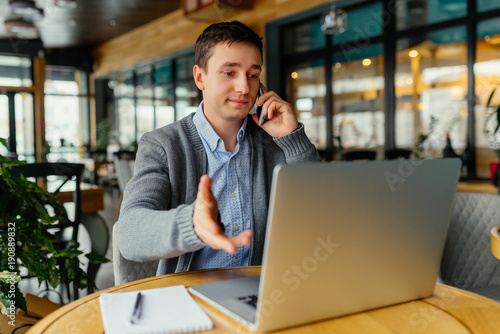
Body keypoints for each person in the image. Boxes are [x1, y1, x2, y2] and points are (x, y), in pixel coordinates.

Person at [117, 21, 319, 276]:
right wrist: (192, 224)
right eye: (230, 73)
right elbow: (130, 236)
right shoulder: (163, 145)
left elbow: (322, 216)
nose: (244, 88)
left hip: (263, 291)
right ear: (200, 77)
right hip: (190, 297)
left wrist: (292, 139)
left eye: (253, 74)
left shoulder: (276, 143)